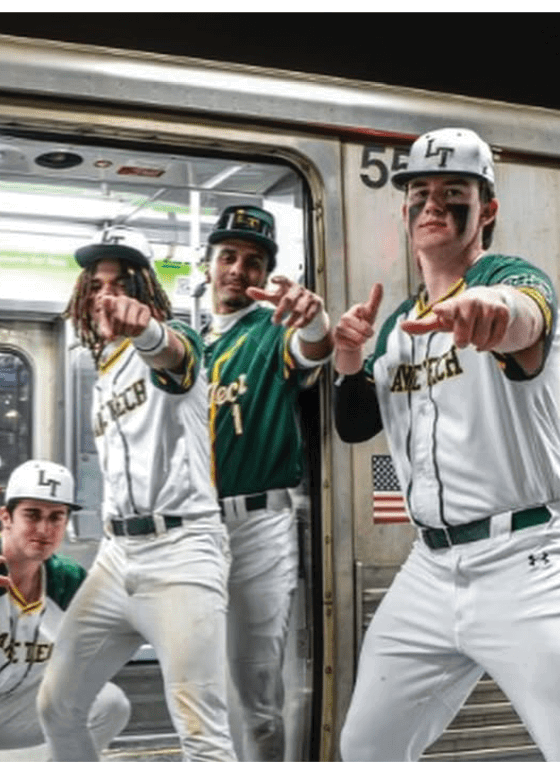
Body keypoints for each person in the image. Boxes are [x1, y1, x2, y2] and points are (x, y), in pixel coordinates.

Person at [332, 127, 560, 761]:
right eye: (420, 192)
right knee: (367, 749)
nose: (432, 203)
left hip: (527, 558)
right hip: (430, 569)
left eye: (453, 191)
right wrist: (349, 357)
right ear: (405, 210)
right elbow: (355, 425)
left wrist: (492, 310)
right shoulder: (399, 325)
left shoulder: (506, 277)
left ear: (486, 210)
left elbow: (524, 312)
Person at [37, 226, 236, 761]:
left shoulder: (173, 338)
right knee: (57, 705)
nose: (107, 296)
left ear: (145, 292)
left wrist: (146, 330)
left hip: (181, 550)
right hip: (117, 554)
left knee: (201, 731)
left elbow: (174, 357)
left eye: (121, 285)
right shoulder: (101, 369)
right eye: (97, 285)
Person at [201, 204, 332, 761]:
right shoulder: (191, 345)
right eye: (228, 256)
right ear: (208, 263)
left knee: (254, 690)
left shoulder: (273, 328)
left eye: (253, 261)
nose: (238, 269)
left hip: (259, 527)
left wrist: (314, 320)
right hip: (196, 530)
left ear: (266, 273)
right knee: (200, 683)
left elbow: (313, 349)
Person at [0, 459, 131, 761]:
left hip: (15, 711)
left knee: (110, 703)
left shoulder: (67, 579)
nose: (44, 529)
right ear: (6, 517)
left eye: (56, 517)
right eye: (32, 515)